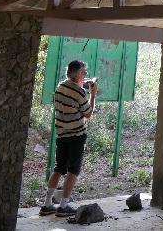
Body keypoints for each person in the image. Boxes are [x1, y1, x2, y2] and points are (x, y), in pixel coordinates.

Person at [40, 60, 97, 217]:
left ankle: (47, 204)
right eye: (84, 72)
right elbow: (88, 114)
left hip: (62, 134)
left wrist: (80, 85)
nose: (86, 74)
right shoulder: (80, 93)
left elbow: (70, 97)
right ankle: (63, 206)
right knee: (73, 170)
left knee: (59, 168)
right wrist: (92, 95)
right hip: (77, 135)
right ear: (77, 74)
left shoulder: (60, 87)